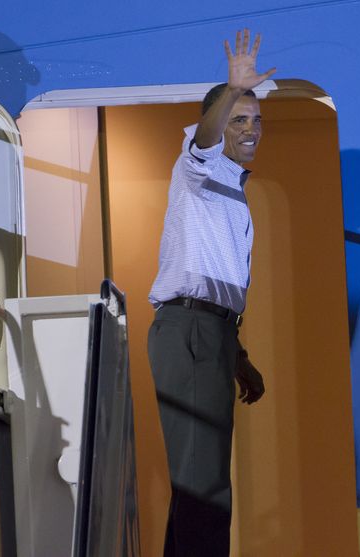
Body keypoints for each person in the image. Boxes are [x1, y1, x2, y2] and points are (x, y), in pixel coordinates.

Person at [147, 29, 274, 557]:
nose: (249, 129)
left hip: (211, 334)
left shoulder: (230, 188)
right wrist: (231, 88)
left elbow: (214, 280)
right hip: (191, 330)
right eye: (238, 119)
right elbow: (203, 138)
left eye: (255, 120)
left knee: (196, 482)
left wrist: (236, 353)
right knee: (205, 489)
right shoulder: (197, 167)